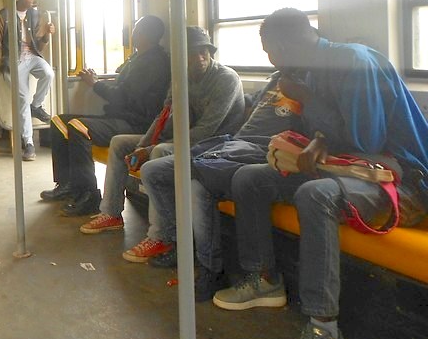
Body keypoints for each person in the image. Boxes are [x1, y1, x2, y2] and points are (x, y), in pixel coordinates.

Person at [211, 8, 428, 339]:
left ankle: (324, 331)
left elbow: (368, 141)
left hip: (403, 182)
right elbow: (330, 133)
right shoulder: (311, 70)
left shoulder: (354, 62)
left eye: (270, 51)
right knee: (250, 178)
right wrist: (311, 141)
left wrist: (307, 99)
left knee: (315, 194)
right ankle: (264, 279)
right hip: (350, 172)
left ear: (285, 45)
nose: (271, 60)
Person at [80, 26, 246, 264]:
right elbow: (164, 115)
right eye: (192, 53)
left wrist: (149, 149)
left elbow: (206, 131)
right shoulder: (181, 78)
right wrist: (142, 144)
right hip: (185, 139)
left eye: (204, 52)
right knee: (119, 143)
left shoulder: (225, 79)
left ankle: (161, 236)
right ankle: (111, 213)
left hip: (215, 145)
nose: (200, 58)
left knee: (159, 151)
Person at [137, 71, 302, 300]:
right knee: (152, 171)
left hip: (260, 151)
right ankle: (177, 243)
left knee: (197, 183)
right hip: (233, 144)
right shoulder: (277, 79)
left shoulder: (309, 83)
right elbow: (255, 106)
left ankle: (210, 269)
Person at [40, 15, 172, 216]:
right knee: (59, 121)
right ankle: (66, 184)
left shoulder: (155, 63)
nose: (132, 33)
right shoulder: (137, 58)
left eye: (136, 30)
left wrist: (95, 84)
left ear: (145, 35)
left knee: (77, 127)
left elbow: (121, 97)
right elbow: (122, 80)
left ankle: (89, 195)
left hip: (136, 123)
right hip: (119, 117)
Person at [0, 0, 55, 161]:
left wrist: (46, 35)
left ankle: (36, 106)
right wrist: (1, 65)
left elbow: (38, 46)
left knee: (48, 73)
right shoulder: (2, 16)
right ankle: (28, 143)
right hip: (12, 61)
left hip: (31, 57)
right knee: (22, 98)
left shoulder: (35, 15)